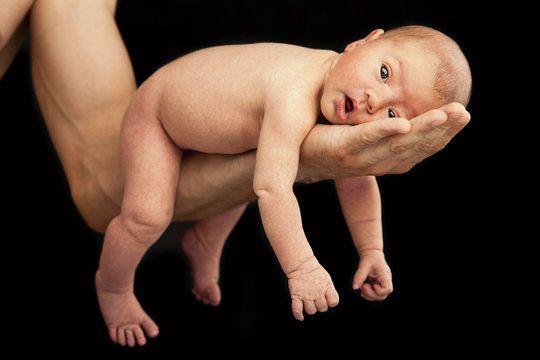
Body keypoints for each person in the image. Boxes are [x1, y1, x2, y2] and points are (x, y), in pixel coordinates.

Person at [2, 0, 471, 347]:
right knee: (148, 214)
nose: (375, 100)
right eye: (385, 73)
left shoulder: (338, 97)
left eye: (394, 116)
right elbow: (273, 189)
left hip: (216, 135)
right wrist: (302, 267)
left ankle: (204, 242)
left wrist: (372, 250)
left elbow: (357, 177)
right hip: (159, 117)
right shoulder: (294, 92)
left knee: (259, 162)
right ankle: (113, 285)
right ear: (363, 42)